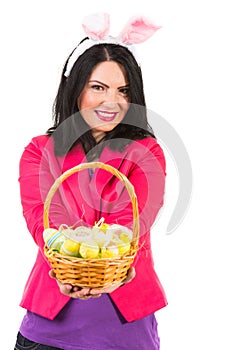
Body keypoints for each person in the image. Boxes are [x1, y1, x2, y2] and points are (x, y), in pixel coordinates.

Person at [14, 13, 167, 350]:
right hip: (48, 327)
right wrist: (68, 269)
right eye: (98, 87)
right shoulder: (39, 151)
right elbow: (41, 219)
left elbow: (134, 221)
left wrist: (117, 262)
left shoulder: (147, 152)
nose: (112, 102)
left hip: (125, 328)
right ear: (75, 88)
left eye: (123, 90)